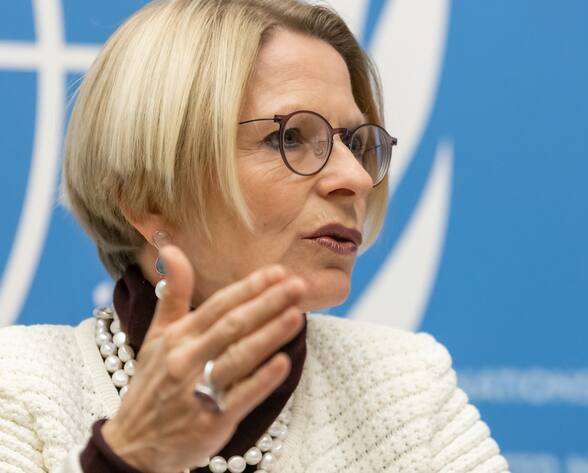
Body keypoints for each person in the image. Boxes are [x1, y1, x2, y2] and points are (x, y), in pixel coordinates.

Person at [0, 0, 509, 472]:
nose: (355, 178)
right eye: (289, 137)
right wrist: (125, 458)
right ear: (150, 198)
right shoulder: (18, 387)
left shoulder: (406, 388)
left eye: (356, 144)